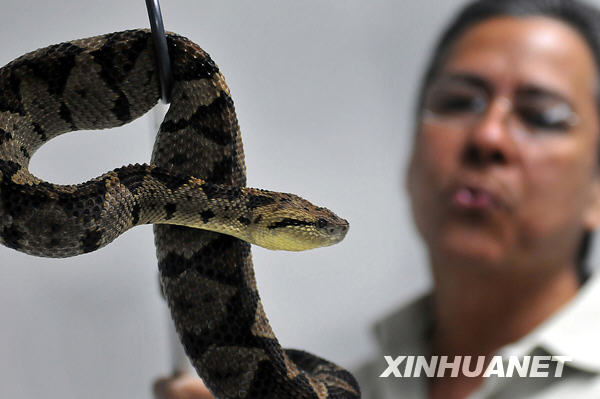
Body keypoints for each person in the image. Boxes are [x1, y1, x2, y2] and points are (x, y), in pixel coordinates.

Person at [153, 0, 600, 397]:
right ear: (412, 159)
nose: (487, 136)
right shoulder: (346, 385)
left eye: (541, 116)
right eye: (459, 102)